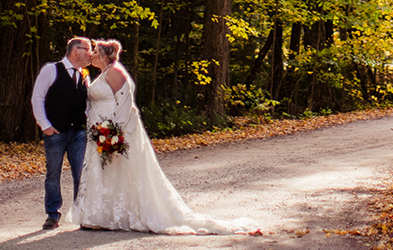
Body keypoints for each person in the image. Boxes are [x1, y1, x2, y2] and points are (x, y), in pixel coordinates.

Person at [76, 38, 261, 234]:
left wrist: (113, 134)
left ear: (104, 56)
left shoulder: (114, 72)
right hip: (100, 130)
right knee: (108, 172)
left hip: (113, 131)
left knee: (116, 171)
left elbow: (124, 105)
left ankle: (116, 216)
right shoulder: (104, 73)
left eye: (95, 52)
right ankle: (103, 215)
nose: (92, 55)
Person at [31, 36, 94, 230]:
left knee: (81, 175)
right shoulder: (51, 70)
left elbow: (88, 104)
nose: (91, 54)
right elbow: (37, 98)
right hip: (56, 132)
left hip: (78, 133)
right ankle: (52, 214)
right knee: (53, 174)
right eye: (88, 49)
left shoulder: (84, 74)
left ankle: (81, 213)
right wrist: (45, 125)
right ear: (75, 50)